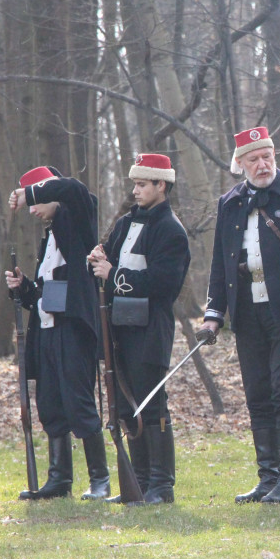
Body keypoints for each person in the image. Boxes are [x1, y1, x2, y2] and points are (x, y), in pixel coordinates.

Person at [200, 126, 280, 504]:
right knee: (257, 393)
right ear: (240, 164)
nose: (262, 164)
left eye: (267, 157)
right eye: (253, 159)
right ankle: (268, 477)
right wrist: (213, 312)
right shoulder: (230, 203)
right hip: (247, 310)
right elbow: (221, 262)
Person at [87, 154, 191, 504]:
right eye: (135, 184)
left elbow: (164, 283)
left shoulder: (171, 230)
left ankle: (161, 485)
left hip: (149, 331)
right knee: (125, 408)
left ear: (161, 185)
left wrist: (113, 274)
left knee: (151, 405)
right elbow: (107, 266)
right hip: (119, 330)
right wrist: (97, 261)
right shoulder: (124, 224)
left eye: (142, 184)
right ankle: (138, 482)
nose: (135, 191)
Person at [5, 166, 108, 500]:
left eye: (37, 200)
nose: (32, 210)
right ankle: (59, 479)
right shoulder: (49, 235)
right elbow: (45, 293)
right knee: (50, 403)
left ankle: (100, 479)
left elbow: (74, 189)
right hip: (48, 329)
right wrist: (23, 287)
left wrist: (30, 193)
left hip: (73, 328)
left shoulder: (76, 214)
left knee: (79, 402)